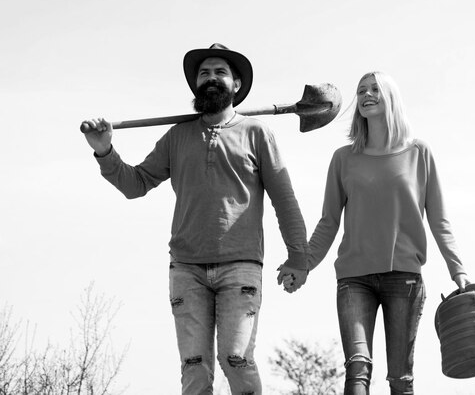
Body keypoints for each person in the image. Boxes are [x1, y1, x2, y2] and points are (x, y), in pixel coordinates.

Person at [82, 43, 309, 395]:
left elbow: (285, 199)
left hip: (242, 266)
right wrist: (104, 150)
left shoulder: (256, 133)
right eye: (204, 73)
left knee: (236, 357)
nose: (211, 78)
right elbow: (136, 184)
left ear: (236, 84)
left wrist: (299, 257)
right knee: (194, 370)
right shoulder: (177, 137)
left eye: (220, 72)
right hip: (186, 269)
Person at [278, 71, 471, 395]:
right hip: (355, 280)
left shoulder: (419, 153)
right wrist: (303, 264)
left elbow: (439, 220)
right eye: (361, 90)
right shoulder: (343, 159)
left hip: (404, 279)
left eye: (375, 89)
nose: (366, 95)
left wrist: (458, 271)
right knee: (357, 367)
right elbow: (328, 222)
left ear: (391, 98)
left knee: (400, 379)